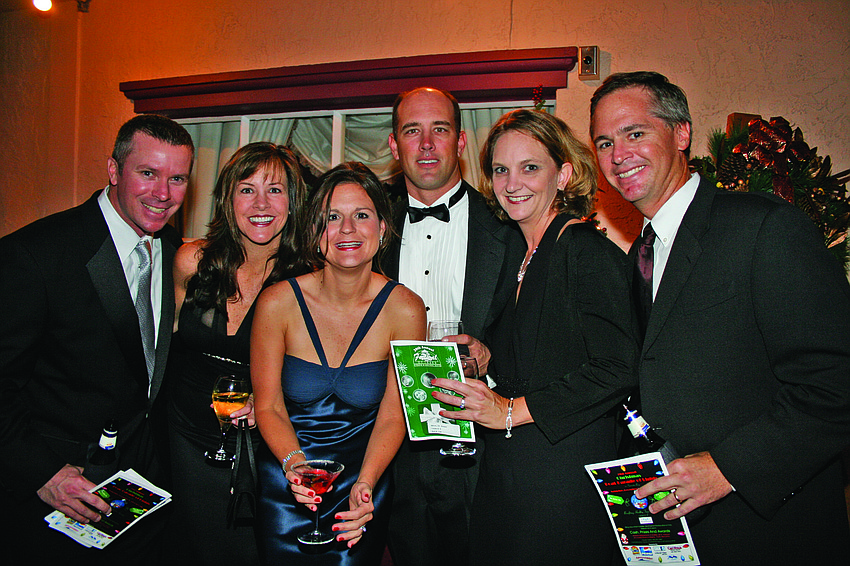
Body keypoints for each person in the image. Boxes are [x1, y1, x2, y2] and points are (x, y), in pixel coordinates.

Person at [589, 71, 850, 563]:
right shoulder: (635, 259)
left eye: (635, 133)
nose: (618, 155)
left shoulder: (763, 227)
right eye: (604, 142)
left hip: (767, 534)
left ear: (682, 133)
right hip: (676, 539)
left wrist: (729, 469)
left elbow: (838, 382)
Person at [430, 108, 638, 564]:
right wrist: (486, 356)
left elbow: (618, 368)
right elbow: (544, 352)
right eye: (501, 170)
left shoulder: (584, 250)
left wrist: (509, 411)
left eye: (530, 167)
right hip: (509, 468)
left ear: (563, 174)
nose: (511, 183)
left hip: (563, 473)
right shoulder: (519, 254)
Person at [0, 114, 194, 563]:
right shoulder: (35, 254)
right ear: (113, 170)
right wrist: (43, 473)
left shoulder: (175, 252)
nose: (163, 193)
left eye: (177, 178)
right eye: (148, 173)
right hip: (59, 501)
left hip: (146, 500)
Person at [251, 162, 426, 564]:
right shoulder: (277, 302)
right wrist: (296, 468)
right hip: (287, 477)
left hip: (362, 483)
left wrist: (365, 484)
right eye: (332, 217)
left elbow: (394, 414)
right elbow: (269, 406)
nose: (347, 229)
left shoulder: (406, 309)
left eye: (361, 215)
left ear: (382, 228)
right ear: (315, 231)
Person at [381, 86, 520, 566]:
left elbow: (534, 331)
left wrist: (491, 354)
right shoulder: (365, 223)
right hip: (387, 435)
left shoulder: (509, 226)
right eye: (411, 131)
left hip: (477, 440)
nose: (425, 144)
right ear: (395, 146)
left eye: (438, 129)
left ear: (460, 141)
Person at [164, 142, 308, 563]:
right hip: (185, 440)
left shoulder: (309, 281)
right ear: (228, 199)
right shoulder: (191, 261)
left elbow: (320, 373)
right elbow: (161, 351)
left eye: (275, 190)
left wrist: (268, 402)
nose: (260, 203)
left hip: (264, 447)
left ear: (294, 202)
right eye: (246, 189)